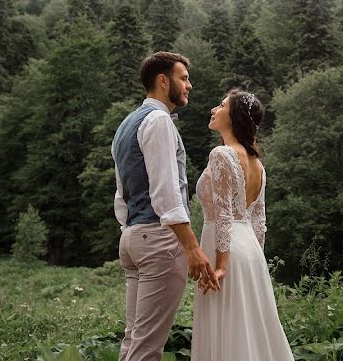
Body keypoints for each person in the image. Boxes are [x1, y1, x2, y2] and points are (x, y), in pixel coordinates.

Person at [111, 51, 218, 361]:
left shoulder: (126, 124)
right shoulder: (159, 121)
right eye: (183, 78)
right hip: (158, 240)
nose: (189, 85)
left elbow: (122, 195)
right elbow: (166, 192)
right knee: (146, 349)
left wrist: (132, 230)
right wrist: (191, 247)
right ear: (162, 80)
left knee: (133, 342)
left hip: (132, 236)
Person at [191, 89, 294, 360]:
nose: (214, 109)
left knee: (227, 325)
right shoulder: (257, 164)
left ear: (234, 115)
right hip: (249, 250)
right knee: (249, 326)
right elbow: (258, 221)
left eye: (221, 105)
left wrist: (222, 265)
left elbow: (223, 214)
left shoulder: (222, 154)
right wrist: (257, 260)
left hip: (225, 250)